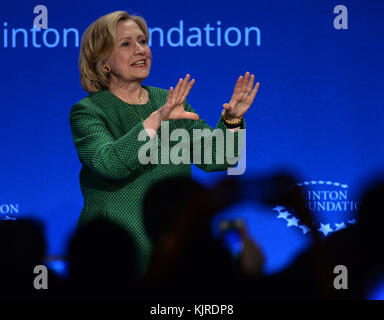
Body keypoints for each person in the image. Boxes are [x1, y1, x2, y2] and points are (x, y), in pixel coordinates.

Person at [69, 10, 260, 273]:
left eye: (143, 41)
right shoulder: (89, 111)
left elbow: (218, 157)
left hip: (169, 250)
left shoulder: (168, 100)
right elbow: (108, 164)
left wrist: (233, 120)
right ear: (104, 63)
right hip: (114, 255)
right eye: (126, 44)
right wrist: (157, 118)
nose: (140, 50)